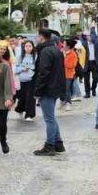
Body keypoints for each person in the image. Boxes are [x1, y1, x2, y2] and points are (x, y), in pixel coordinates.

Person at [33, 27, 68, 156]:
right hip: (54, 88)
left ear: (42, 37)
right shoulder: (56, 50)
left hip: (48, 89)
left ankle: (50, 145)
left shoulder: (45, 52)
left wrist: (37, 90)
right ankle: (58, 143)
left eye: (37, 36)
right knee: (51, 117)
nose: (37, 39)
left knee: (49, 119)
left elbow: (43, 73)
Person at [13, 40, 37, 119]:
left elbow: (35, 67)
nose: (28, 48)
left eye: (30, 46)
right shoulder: (20, 57)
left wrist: (29, 67)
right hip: (21, 80)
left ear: (33, 47)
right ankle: (20, 109)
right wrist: (23, 68)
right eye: (26, 46)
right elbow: (15, 69)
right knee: (22, 97)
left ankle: (29, 115)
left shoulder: (35, 56)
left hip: (31, 80)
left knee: (30, 97)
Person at [81, 27, 98, 98]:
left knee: (95, 78)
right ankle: (87, 93)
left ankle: (93, 89)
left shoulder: (97, 43)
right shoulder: (84, 44)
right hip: (86, 63)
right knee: (86, 79)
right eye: (88, 36)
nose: (89, 37)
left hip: (95, 63)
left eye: (90, 36)